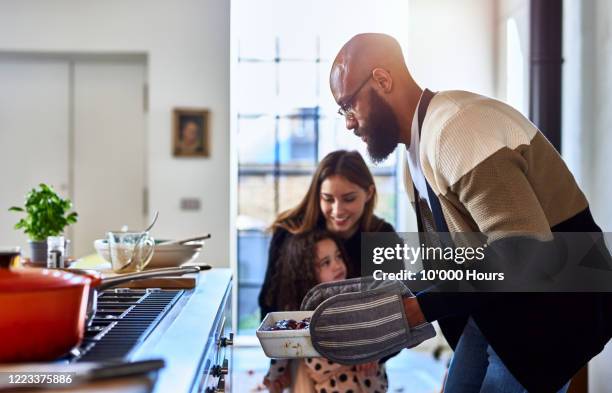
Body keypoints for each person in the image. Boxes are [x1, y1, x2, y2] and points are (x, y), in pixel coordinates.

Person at [300, 33, 612, 393]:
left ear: (382, 80)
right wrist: (396, 295)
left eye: (348, 106)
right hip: (499, 304)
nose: (349, 123)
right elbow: (455, 259)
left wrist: (414, 312)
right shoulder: (414, 154)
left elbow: (524, 253)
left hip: (551, 312)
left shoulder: (457, 128)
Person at [258, 149, 399, 320]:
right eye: (328, 199)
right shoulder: (288, 231)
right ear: (317, 195)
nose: (337, 211)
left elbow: (395, 313)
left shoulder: (383, 237)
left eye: (349, 199)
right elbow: (268, 303)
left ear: (368, 193)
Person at [263, 230, 389, 393]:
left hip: (369, 382)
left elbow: (380, 331)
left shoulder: (357, 299)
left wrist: (375, 356)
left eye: (338, 256)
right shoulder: (300, 316)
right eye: (325, 263)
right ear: (306, 273)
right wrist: (274, 378)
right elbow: (280, 352)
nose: (337, 265)